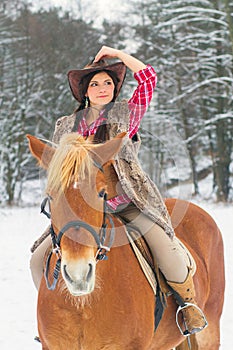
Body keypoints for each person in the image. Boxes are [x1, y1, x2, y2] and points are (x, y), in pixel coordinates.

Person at [30, 45, 207, 336]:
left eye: (108, 83)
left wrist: (117, 54)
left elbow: (149, 78)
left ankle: (188, 307)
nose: (102, 88)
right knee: (38, 260)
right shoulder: (64, 126)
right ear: (85, 91)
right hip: (79, 210)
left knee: (169, 253)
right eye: (95, 83)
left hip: (126, 203)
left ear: (115, 88)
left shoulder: (125, 114)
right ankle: (54, 315)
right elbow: (60, 173)